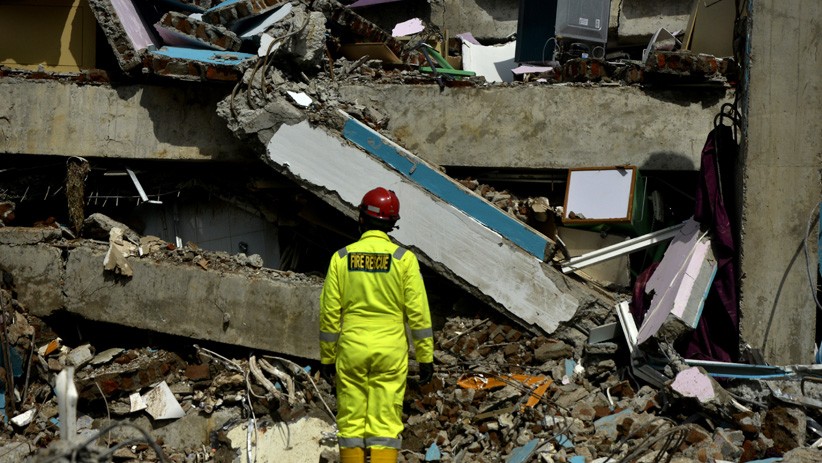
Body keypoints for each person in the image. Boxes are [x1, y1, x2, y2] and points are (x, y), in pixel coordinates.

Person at [319, 187, 434, 463]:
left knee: (350, 422)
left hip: (352, 350)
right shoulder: (403, 260)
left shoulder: (342, 258)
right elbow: (418, 314)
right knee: (384, 425)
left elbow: (329, 314)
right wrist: (426, 357)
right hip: (390, 352)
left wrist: (327, 357)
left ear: (361, 218)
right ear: (393, 223)